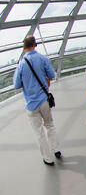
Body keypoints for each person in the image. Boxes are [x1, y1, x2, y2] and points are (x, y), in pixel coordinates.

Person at [13, 36, 61, 166]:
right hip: (44, 100)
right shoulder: (43, 59)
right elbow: (51, 75)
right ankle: (56, 149)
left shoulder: (22, 64)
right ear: (36, 44)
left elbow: (16, 84)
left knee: (38, 132)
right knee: (50, 124)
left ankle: (48, 158)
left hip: (31, 104)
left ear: (24, 47)